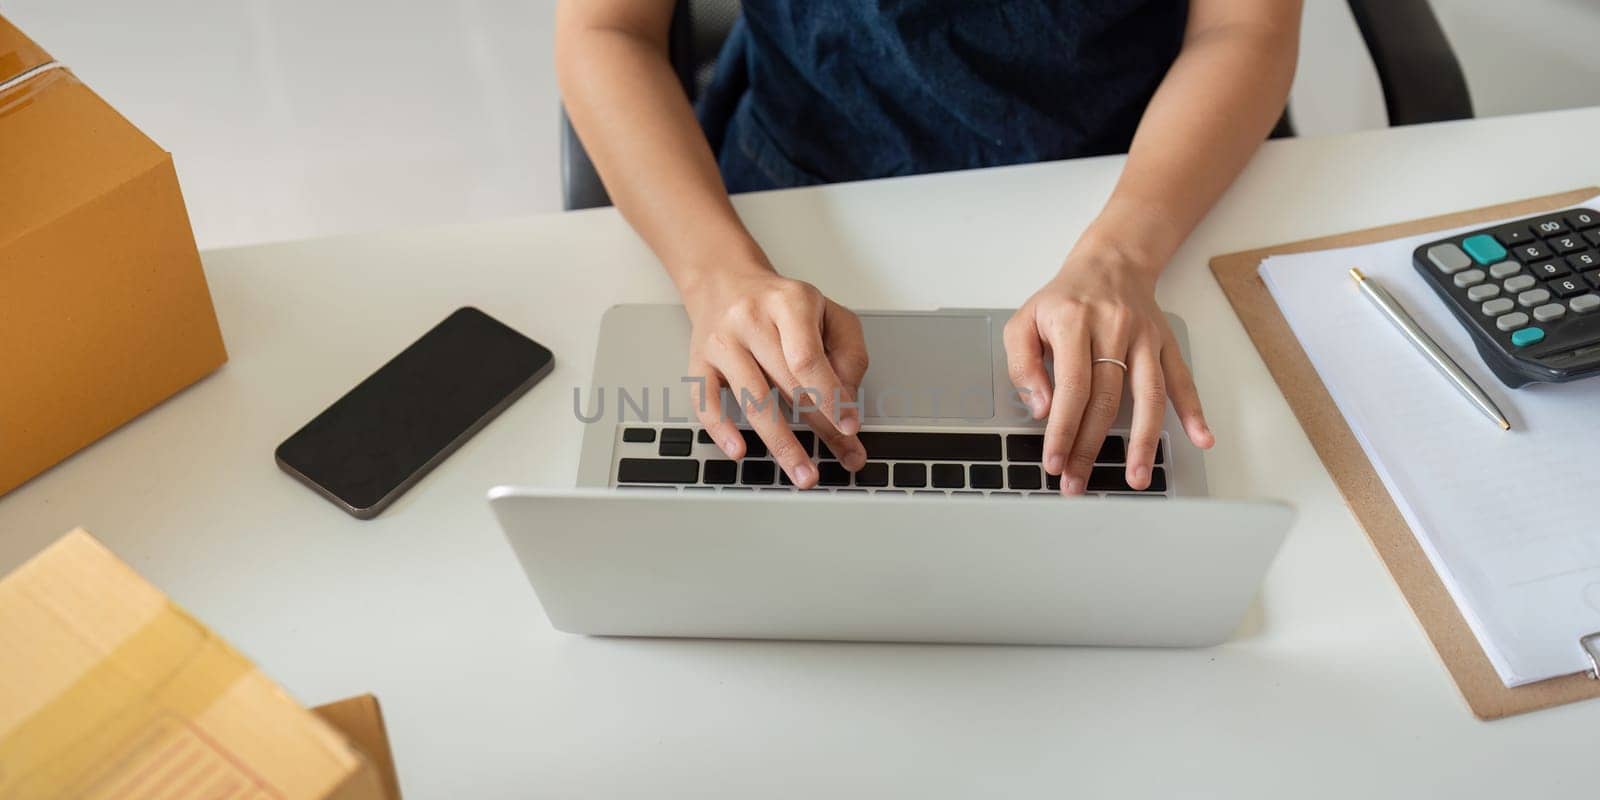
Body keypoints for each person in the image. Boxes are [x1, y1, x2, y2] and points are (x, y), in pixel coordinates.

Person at [556, 0, 1303, 494]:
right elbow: (606, 29)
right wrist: (714, 274)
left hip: (1133, 181)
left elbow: (1245, 27)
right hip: (788, 199)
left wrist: (1122, 259)